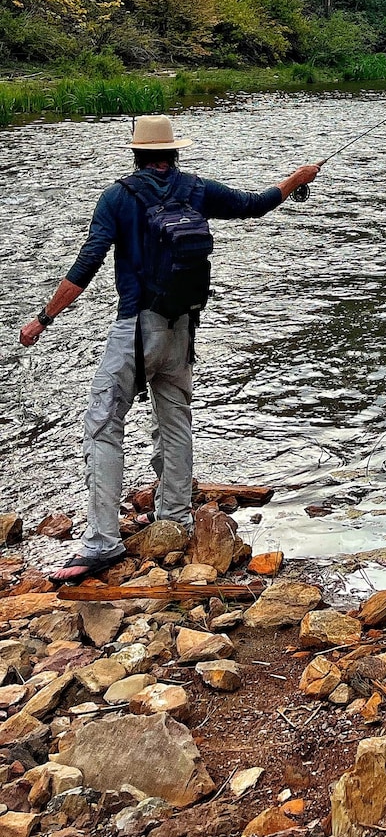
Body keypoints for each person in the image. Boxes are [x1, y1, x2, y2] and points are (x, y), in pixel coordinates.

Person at [20, 114, 321, 584]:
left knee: (102, 424)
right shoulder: (196, 189)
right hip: (183, 325)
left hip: (136, 329)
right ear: (174, 152)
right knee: (175, 417)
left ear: (136, 153)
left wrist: (43, 319)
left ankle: (101, 542)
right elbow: (254, 204)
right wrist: (296, 180)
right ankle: (176, 520)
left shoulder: (118, 197)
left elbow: (87, 264)